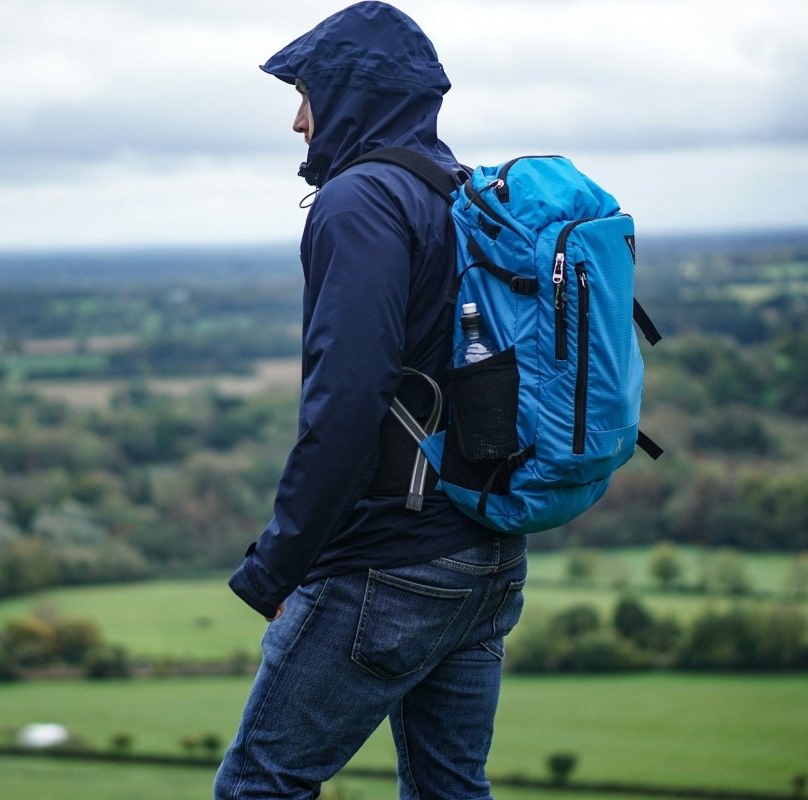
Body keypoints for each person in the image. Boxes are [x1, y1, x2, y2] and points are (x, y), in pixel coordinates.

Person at [215, 3, 528, 799]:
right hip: (487, 554)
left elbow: (346, 403)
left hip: (390, 564)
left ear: (351, 94)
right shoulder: (461, 193)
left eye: (308, 94)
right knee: (450, 789)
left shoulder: (362, 202)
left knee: (259, 787)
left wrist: (275, 568)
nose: (296, 120)